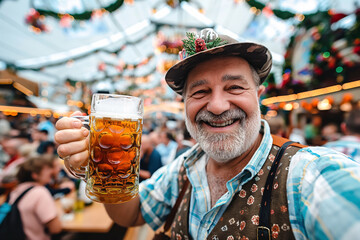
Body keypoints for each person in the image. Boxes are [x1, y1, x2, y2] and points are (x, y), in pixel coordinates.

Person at [55, 28, 360, 239]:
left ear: (259, 95)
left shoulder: (310, 175)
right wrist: (94, 167)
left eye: (235, 87)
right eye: (200, 91)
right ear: (184, 104)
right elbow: (130, 215)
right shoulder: (183, 169)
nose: (216, 106)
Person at [7, 154, 62, 240]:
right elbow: (55, 229)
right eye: (47, 169)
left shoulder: (16, 190)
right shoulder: (40, 192)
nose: (51, 171)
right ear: (35, 175)